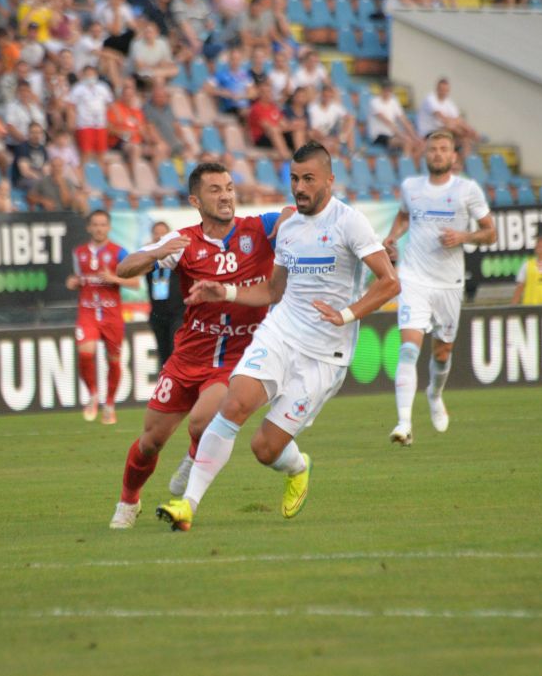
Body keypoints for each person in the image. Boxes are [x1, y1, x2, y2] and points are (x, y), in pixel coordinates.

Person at [156, 142, 400, 531]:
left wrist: (346, 314)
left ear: (329, 180)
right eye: (294, 179)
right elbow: (273, 293)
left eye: (308, 179)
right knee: (234, 405)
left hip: (325, 354)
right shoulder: (288, 228)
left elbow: (390, 283)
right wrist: (228, 292)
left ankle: (299, 467)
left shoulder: (349, 222)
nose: (299, 187)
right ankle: (188, 505)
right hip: (280, 333)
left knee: (264, 449)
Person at [110, 168, 290, 529]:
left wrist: (288, 216)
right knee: (151, 441)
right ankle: (128, 501)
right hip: (189, 354)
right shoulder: (183, 241)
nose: (225, 196)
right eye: (214, 190)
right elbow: (124, 267)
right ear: (195, 201)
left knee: (203, 419)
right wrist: (158, 252)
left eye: (229, 188)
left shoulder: (258, 228)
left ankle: (195, 457)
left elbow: (292, 214)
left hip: (238, 354)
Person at [381, 130, 496, 446]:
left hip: (449, 283)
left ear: (454, 156)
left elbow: (491, 233)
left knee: (442, 351)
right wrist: (393, 236)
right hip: (414, 277)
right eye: (433, 149)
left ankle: (435, 392)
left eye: (444, 149)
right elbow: (404, 216)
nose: (437, 153)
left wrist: (464, 237)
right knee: (407, 349)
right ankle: (404, 424)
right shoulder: (411, 187)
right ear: (425, 154)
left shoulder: (467, 190)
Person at [66, 210, 137, 425]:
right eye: (95, 225)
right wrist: (74, 282)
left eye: (103, 224)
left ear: (109, 227)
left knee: (113, 360)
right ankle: (93, 395)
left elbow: (135, 282)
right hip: (87, 311)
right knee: (85, 353)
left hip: (112, 314)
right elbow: (78, 278)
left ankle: (109, 404)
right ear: (89, 227)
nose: (99, 228)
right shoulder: (79, 253)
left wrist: (113, 278)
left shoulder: (119, 252)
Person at [143, 221, 184, 371]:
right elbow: (134, 272)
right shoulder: (148, 259)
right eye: (156, 233)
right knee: (163, 353)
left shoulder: (178, 258)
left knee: (176, 350)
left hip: (178, 313)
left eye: (164, 234)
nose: (160, 237)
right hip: (157, 314)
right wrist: (149, 252)